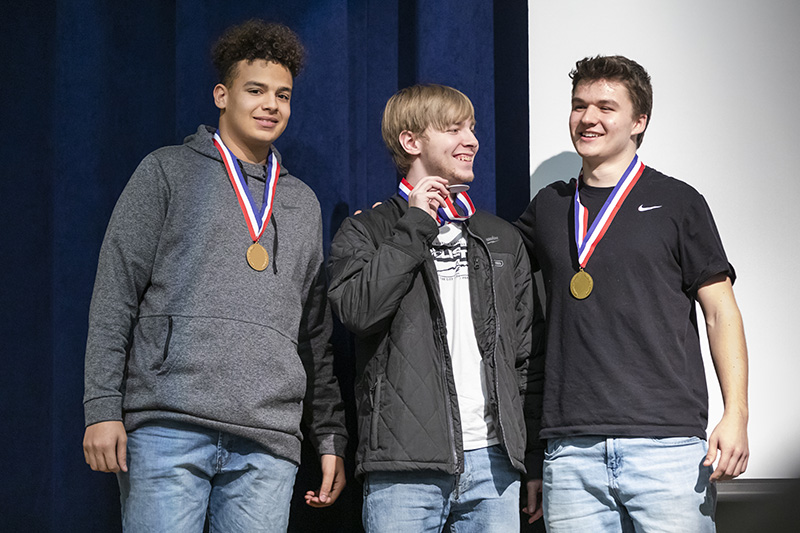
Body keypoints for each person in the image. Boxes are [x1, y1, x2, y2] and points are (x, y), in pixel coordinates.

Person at [81, 19, 347, 531]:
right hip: (167, 426)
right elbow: (115, 295)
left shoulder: (301, 203)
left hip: (267, 441)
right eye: (256, 90)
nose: (271, 105)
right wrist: (101, 407)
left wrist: (329, 435)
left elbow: (314, 336)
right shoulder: (166, 171)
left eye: (283, 95)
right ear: (222, 95)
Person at [515, 55, 749, 532]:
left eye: (606, 106)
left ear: (639, 121)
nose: (589, 118)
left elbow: (721, 312)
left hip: (666, 448)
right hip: (571, 449)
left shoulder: (678, 201)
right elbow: (489, 261)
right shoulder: (549, 206)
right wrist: (406, 217)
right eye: (580, 105)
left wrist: (737, 414)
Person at [327, 84, 546, 532]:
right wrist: (414, 227)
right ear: (411, 142)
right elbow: (357, 312)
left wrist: (530, 458)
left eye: (472, 128)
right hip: (403, 468)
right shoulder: (365, 232)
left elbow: (525, 357)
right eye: (454, 129)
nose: (472, 140)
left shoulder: (501, 237)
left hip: (495, 467)